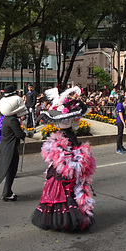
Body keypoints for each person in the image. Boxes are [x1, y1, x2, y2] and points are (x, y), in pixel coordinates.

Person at [32, 94, 95, 231]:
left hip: (64, 167)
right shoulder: (68, 135)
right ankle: (70, 218)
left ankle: (63, 219)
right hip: (66, 166)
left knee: (66, 190)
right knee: (72, 190)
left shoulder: (60, 137)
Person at [0, 85, 27, 201]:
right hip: (10, 149)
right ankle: (6, 193)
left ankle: (8, 191)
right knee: (11, 171)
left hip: (5, 147)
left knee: (9, 170)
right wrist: (25, 132)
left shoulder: (5, 118)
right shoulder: (12, 120)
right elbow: (20, 135)